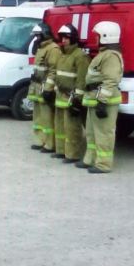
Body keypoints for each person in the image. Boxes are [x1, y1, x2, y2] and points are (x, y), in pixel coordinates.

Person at [76, 21, 124, 173]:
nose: (94, 38)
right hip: (94, 98)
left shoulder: (111, 56)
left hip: (103, 101)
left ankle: (103, 164)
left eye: (97, 36)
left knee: (104, 133)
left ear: (106, 37)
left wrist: (102, 102)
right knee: (91, 132)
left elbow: (111, 81)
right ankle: (90, 159)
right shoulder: (104, 54)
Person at [49, 24, 90, 163]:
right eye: (62, 38)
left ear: (73, 38)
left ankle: (73, 155)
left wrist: (78, 99)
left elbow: (81, 79)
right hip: (60, 96)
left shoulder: (80, 56)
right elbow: (58, 75)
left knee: (72, 128)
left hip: (71, 97)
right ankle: (61, 151)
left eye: (66, 38)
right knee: (60, 126)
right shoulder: (62, 54)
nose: (64, 41)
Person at [27, 23, 61, 152]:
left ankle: (49, 143)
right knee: (38, 116)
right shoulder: (41, 48)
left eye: (38, 36)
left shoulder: (53, 49)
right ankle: (39, 140)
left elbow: (53, 71)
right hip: (36, 86)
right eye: (35, 36)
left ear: (44, 34)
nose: (36, 38)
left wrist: (48, 88)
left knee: (47, 118)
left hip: (44, 87)